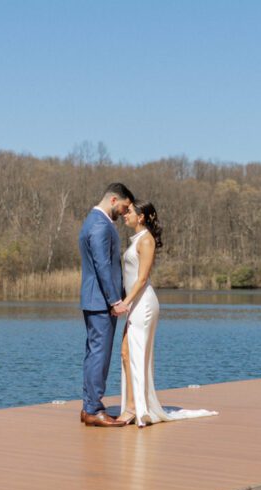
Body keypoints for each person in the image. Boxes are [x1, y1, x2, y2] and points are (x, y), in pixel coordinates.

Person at [116, 201, 216, 427]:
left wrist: (125, 303)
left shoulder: (147, 240)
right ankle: (132, 405)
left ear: (141, 217)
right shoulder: (136, 240)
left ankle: (136, 409)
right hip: (135, 304)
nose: (125, 215)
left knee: (135, 353)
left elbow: (142, 278)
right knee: (126, 353)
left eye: (129, 212)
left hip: (143, 304)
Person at [78, 183, 135, 427]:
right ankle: (92, 408)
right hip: (101, 301)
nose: (124, 213)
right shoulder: (100, 225)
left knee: (94, 353)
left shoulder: (92, 221)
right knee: (99, 354)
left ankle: (89, 406)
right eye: (124, 207)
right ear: (113, 200)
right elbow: (102, 266)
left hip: (94, 299)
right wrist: (115, 300)